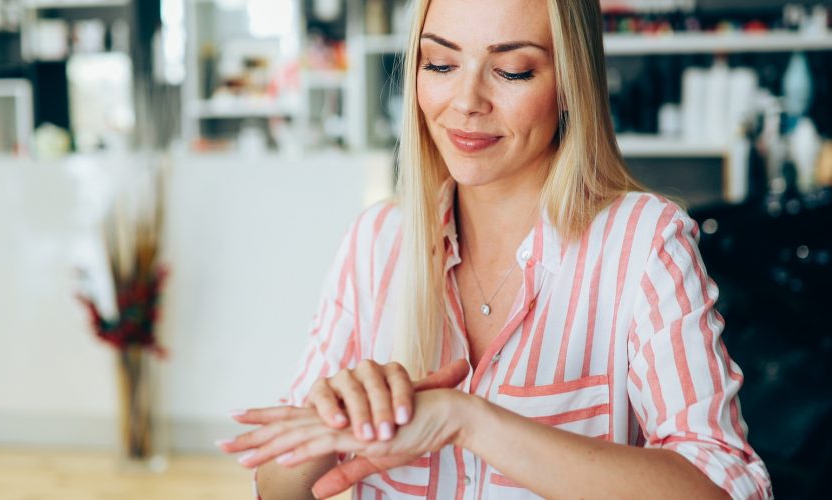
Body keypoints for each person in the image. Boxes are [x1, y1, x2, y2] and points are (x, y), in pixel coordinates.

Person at [219, 0, 774, 498]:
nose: (465, 102)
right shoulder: (376, 242)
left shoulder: (644, 241)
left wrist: (470, 421)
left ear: (569, 84)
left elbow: (729, 487)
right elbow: (276, 487)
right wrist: (326, 421)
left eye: (512, 70)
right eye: (440, 64)